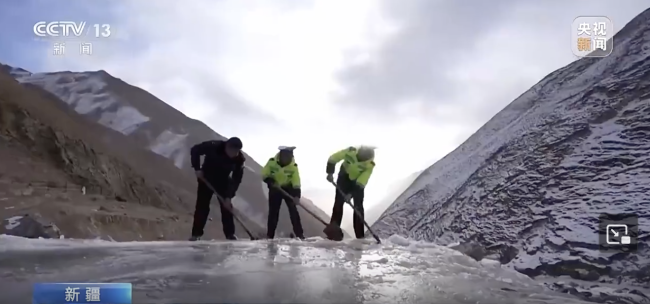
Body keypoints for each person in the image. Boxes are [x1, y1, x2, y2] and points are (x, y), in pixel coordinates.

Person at [189, 137, 245, 241]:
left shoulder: (239, 160)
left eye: (236, 151)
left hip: (223, 182)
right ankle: (196, 234)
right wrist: (197, 169)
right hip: (206, 178)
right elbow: (195, 150)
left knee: (227, 208)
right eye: (232, 150)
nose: (234, 154)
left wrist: (229, 196)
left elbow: (236, 180)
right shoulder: (214, 146)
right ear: (227, 147)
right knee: (202, 206)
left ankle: (230, 234)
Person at [326, 146, 375, 239]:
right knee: (338, 204)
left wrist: (351, 194)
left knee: (358, 208)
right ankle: (333, 232)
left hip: (357, 184)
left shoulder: (369, 165)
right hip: (344, 178)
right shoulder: (350, 151)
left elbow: (361, 182)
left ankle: (360, 236)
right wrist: (330, 173)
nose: (360, 158)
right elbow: (333, 159)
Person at [261, 146, 305, 240]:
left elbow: (296, 182)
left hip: (288, 189)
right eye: (285, 156)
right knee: (273, 212)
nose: (286, 159)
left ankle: (300, 235)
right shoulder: (272, 162)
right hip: (275, 188)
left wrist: (297, 196)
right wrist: (270, 181)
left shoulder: (293, 167)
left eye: (289, 157)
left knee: (293, 211)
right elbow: (264, 174)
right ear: (280, 156)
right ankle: (270, 235)